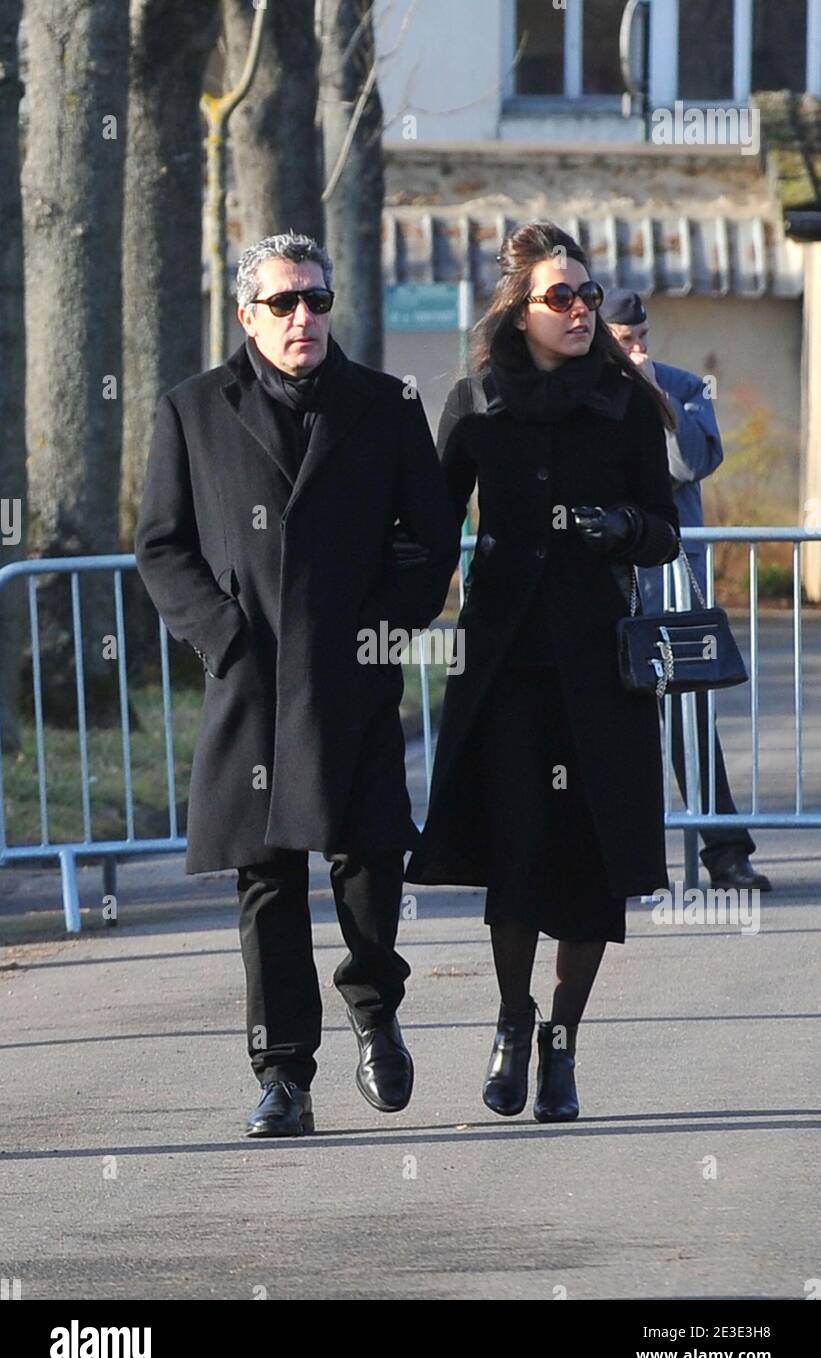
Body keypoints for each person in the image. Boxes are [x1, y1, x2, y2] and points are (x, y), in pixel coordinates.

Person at [135, 232, 460, 1137]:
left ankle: (374, 1009)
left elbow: (431, 543)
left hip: (350, 679)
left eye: (316, 300)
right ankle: (284, 1075)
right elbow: (161, 544)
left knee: (367, 861)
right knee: (266, 881)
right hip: (250, 685)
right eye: (282, 303)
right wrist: (222, 636)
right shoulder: (194, 409)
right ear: (247, 315)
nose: (303, 317)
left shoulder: (386, 404)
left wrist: (379, 632)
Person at [405, 221, 681, 1123]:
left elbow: (663, 525)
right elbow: (431, 527)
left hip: (598, 663)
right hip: (504, 661)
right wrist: (382, 616)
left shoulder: (626, 403)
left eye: (587, 295)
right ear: (518, 310)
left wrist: (619, 529)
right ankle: (512, 1023)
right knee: (517, 850)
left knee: (591, 863)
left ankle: (562, 1042)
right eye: (558, 296)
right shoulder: (476, 401)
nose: (577, 309)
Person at [601, 288, 771, 893]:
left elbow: (687, 465)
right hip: (602, 576)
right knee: (603, 717)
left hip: (670, 575)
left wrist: (659, 398)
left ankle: (725, 853)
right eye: (625, 341)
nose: (638, 348)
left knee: (689, 712)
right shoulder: (580, 388)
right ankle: (616, 860)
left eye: (643, 336)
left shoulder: (685, 387)